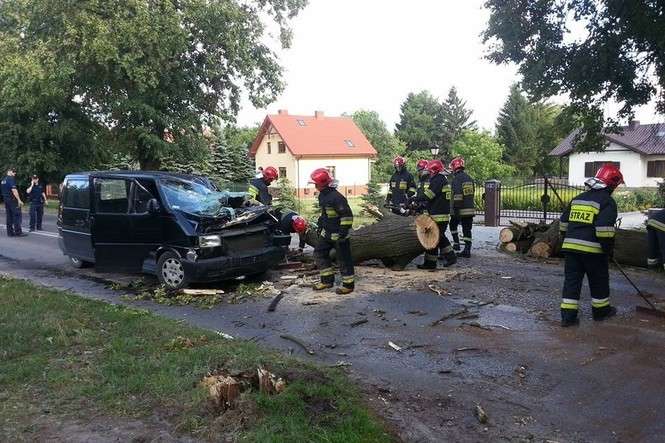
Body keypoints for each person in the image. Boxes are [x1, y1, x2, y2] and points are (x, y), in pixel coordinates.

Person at [559, 164, 623, 327]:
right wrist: (607, 250)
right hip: (593, 251)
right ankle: (601, 312)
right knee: (598, 281)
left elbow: (563, 224)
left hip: (571, 249)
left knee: (571, 282)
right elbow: (604, 231)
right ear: (612, 184)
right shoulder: (607, 201)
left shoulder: (578, 198)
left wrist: (569, 241)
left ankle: (568, 317)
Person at [310, 168, 355, 294]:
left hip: (339, 234)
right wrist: (321, 224)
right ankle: (327, 281)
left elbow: (347, 216)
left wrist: (342, 232)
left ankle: (348, 285)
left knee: (343, 259)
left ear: (322, 183)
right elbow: (326, 214)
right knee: (319, 253)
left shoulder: (336, 198)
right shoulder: (323, 195)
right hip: (327, 233)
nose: (314, 185)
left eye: (316, 183)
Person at [414, 160, 457, 269]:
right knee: (436, 238)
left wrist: (414, 199)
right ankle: (434, 262)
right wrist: (421, 206)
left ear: (434, 170)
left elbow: (429, 195)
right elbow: (434, 199)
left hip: (438, 215)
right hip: (439, 214)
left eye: (430, 171)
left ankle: (444, 259)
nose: (429, 173)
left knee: (435, 238)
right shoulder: (442, 179)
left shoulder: (438, 180)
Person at [449, 157, 475, 257]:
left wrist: (456, 210)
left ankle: (456, 244)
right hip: (469, 209)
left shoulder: (457, 179)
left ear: (455, 167)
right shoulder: (469, 178)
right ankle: (467, 249)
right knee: (467, 229)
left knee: (452, 225)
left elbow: (458, 195)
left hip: (460, 209)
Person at [1, 167, 26, 237]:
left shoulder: (3, 180)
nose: (15, 173)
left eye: (15, 172)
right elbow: (14, 190)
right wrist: (19, 200)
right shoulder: (11, 179)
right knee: (17, 215)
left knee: (9, 216)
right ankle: (18, 232)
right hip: (12, 200)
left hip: (6, 200)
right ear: (9, 171)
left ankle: (10, 233)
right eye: (14, 172)